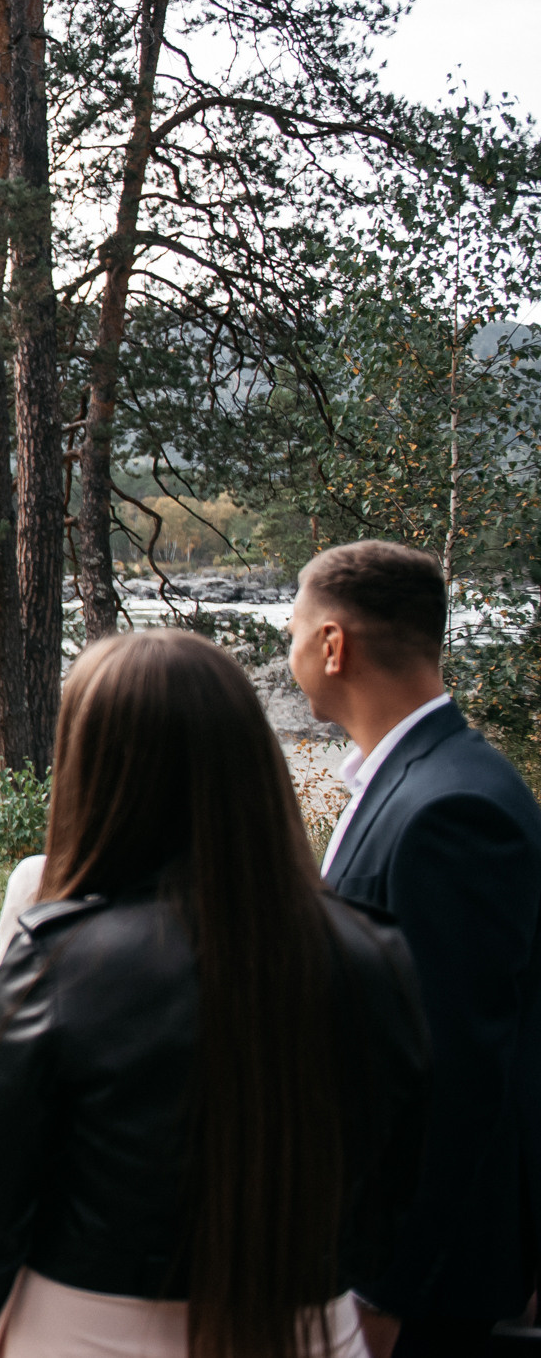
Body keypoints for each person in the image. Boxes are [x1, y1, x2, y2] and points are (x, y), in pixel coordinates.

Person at [0, 630, 428, 1358]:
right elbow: (399, 1185)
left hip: (83, 1332)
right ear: (252, 762)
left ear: (93, 773)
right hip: (309, 1329)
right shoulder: (374, 954)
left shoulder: (58, 960)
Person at [294, 539, 541, 1352]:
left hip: (419, 1280)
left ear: (334, 644)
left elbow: (455, 1071)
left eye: (293, 631)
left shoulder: (452, 808)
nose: (289, 653)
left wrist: (386, 1288)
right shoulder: (413, 779)